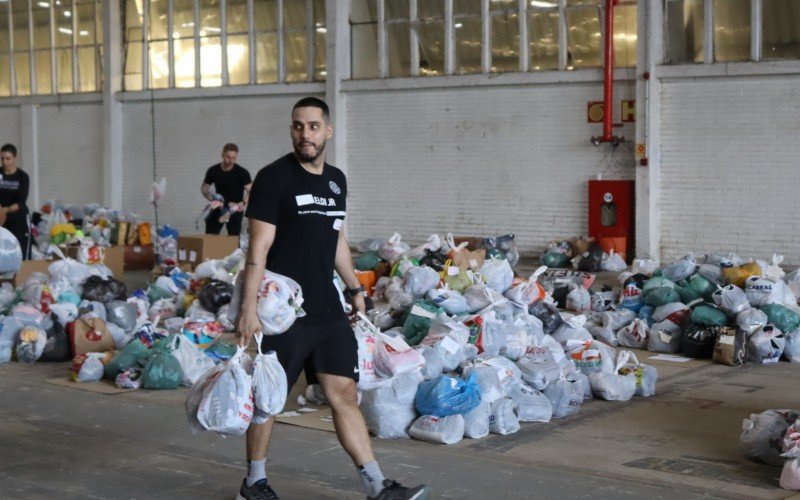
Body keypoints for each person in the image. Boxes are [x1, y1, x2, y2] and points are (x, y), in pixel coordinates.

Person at [235, 97, 429, 500]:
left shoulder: (336, 181)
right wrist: (248, 311)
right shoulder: (274, 178)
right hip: (283, 312)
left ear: (327, 130)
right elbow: (258, 249)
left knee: (343, 393)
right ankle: (254, 482)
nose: (305, 134)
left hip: (327, 308)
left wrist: (355, 287)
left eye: (312, 126)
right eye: (297, 126)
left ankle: (377, 485)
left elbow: (336, 237)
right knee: (270, 399)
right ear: (292, 130)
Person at [201, 143, 252, 236]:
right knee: (210, 235)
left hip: (234, 209)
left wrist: (243, 203)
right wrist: (211, 198)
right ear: (222, 155)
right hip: (218, 207)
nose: (230, 160)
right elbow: (204, 188)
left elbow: (251, 191)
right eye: (228, 157)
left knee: (234, 238)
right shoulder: (213, 171)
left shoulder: (242, 173)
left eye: (233, 158)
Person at [0, 144, 31, 259]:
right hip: (2, 220)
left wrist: (3, 210)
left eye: (8, 158)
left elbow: (21, 202)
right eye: (2, 158)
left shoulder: (22, 177)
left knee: (21, 253)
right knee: (4, 253)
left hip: (19, 219)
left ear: (15, 158)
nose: (4, 162)